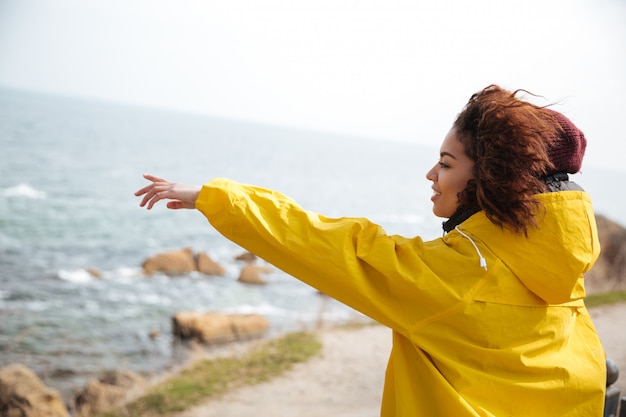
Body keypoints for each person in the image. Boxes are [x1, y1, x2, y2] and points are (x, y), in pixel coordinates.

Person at [135, 85, 605, 416]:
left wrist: (216, 198)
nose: (431, 175)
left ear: (489, 179)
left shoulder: (456, 279)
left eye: (445, 163)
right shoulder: (562, 276)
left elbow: (330, 245)